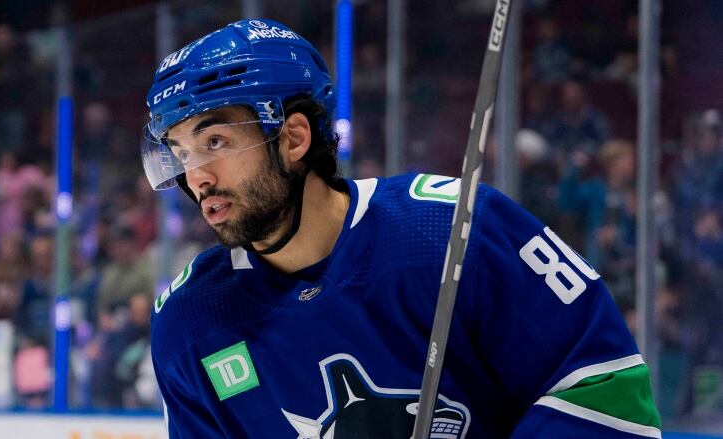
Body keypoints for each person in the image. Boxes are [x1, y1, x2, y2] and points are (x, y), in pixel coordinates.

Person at [143, 19, 660, 438]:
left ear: (293, 138)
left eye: (214, 142)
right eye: (182, 152)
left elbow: (604, 387)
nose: (197, 176)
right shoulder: (191, 322)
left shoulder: (452, 230)